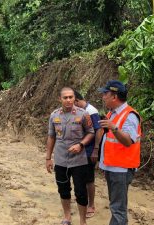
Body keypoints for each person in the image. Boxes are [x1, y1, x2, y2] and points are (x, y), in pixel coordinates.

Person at [45, 87, 95, 225]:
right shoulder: (54, 115)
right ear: (59, 99)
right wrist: (48, 158)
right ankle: (67, 217)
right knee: (63, 189)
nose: (68, 100)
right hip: (61, 160)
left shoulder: (83, 114)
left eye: (71, 97)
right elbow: (51, 137)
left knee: (81, 191)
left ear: (74, 98)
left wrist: (81, 144)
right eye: (65, 97)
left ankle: (82, 221)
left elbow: (91, 132)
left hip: (79, 160)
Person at [96, 80, 142, 225]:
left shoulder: (130, 115)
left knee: (118, 208)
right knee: (115, 205)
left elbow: (128, 141)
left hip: (121, 169)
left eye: (105, 94)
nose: (103, 97)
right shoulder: (112, 113)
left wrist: (114, 128)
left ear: (114, 97)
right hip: (112, 166)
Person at [73, 90, 102, 218]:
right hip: (81, 149)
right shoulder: (80, 111)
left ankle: (91, 205)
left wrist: (96, 149)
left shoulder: (91, 111)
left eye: (73, 103)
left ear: (76, 101)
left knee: (89, 179)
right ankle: (84, 201)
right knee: (81, 178)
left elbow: (99, 130)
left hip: (89, 151)